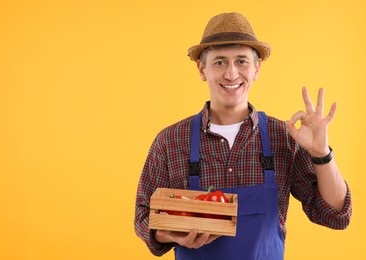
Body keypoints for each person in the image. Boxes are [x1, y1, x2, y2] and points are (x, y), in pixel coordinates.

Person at [134, 12, 352, 259]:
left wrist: (321, 154)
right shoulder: (171, 141)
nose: (231, 74)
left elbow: (336, 216)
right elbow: (143, 216)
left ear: (257, 67)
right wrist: (170, 234)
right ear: (202, 69)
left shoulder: (284, 137)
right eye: (219, 62)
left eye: (241, 61)